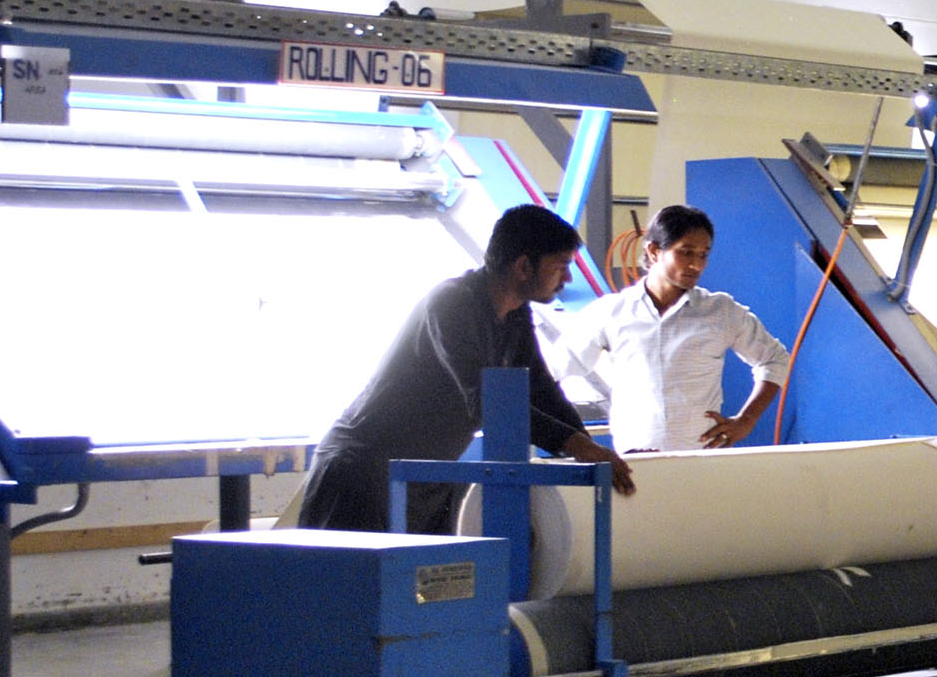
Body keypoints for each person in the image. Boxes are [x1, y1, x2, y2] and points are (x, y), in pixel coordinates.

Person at [299, 204, 635, 534]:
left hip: (420, 476)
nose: (568, 278)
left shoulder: (515, 314)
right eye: (561, 265)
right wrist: (576, 445)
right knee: (355, 572)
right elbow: (485, 402)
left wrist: (592, 451)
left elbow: (541, 389)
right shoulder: (452, 304)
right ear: (523, 266)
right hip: (361, 471)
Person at [563, 204, 793, 452]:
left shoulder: (720, 311)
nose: (697, 265)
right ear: (654, 251)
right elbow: (556, 369)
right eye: (686, 252)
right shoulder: (611, 312)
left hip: (703, 459)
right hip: (633, 460)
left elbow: (775, 359)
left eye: (703, 255)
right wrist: (569, 437)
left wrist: (747, 420)